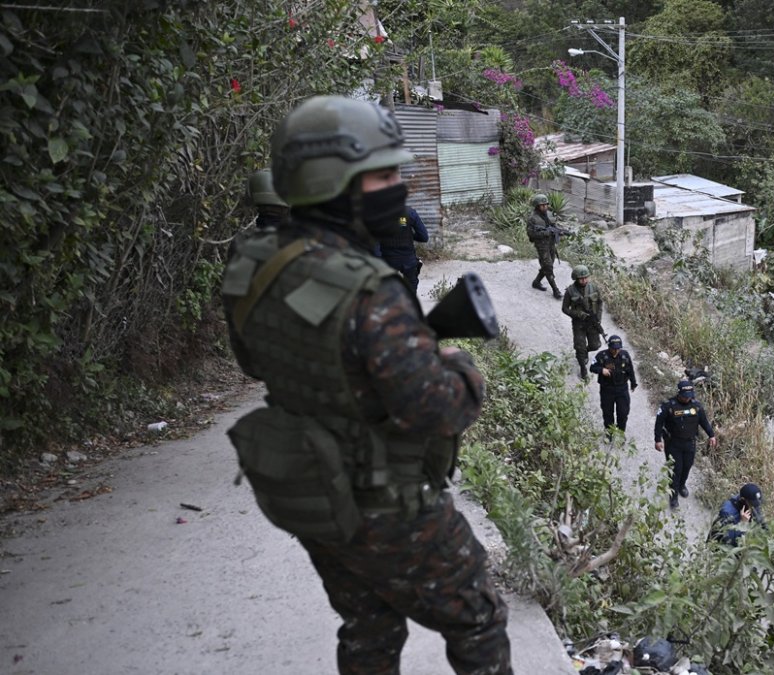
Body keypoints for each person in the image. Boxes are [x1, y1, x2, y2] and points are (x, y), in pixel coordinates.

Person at [220, 95, 511, 675]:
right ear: (335, 181)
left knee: (369, 623)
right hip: (384, 499)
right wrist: (457, 364)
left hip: (310, 491)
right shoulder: (370, 291)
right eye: (384, 174)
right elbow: (436, 410)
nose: (398, 185)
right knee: (477, 615)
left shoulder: (255, 262)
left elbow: (255, 361)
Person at [654, 379, 717, 508]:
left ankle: (682, 485)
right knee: (675, 470)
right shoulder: (668, 406)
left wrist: (711, 435)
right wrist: (657, 440)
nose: (687, 399)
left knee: (687, 467)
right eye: (685, 397)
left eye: (689, 397)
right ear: (679, 394)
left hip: (690, 443)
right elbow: (659, 424)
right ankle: (674, 495)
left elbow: (704, 422)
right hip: (673, 443)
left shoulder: (696, 407)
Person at [589, 334, 637, 438]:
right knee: (607, 413)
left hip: (622, 389)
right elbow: (592, 367)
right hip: (607, 389)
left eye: (618, 349)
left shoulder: (625, 355)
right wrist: (601, 370)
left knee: (623, 413)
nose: (616, 351)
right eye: (613, 349)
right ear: (609, 347)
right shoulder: (602, 356)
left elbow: (630, 369)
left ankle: (620, 434)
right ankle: (609, 434)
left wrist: (633, 383)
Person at [561, 264, 603, 379]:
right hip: (579, 323)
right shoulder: (570, 291)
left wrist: (598, 318)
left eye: (586, 278)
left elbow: (599, 303)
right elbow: (564, 308)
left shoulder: (593, 288)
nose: (584, 280)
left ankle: (584, 353)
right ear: (576, 278)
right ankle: (583, 369)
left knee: (595, 345)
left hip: (592, 322)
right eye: (581, 278)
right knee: (580, 346)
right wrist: (578, 314)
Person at [379, 204, 429, 292]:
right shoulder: (409, 212)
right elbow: (424, 237)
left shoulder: (378, 215)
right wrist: (410, 235)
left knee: (387, 290)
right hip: (408, 260)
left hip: (388, 260)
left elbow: (374, 242)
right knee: (411, 289)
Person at [526, 193, 562, 299]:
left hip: (551, 244)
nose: (545, 207)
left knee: (548, 264)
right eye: (542, 205)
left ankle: (536, 282)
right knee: (548, 267)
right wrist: (545, 233)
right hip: (541, 246)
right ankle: (556, 290)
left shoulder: (549, 214)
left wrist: (559, 232)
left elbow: (554, 226)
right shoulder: (533, 219)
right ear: (537, 206)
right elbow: (531, 234)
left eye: (546, 205)